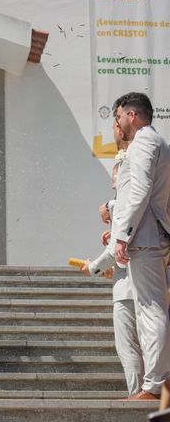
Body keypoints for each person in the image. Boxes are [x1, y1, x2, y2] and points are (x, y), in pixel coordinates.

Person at [111, 92, 170, 400]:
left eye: (118, 116)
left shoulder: (144, 142)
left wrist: (122, 234)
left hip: (145, 238)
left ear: (132, 116)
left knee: (151, 312)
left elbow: (141, 190)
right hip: (152, 237)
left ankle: (154, 384)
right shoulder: (158, 142)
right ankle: (158, 381)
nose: (117, 123)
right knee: (152, 311)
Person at [81, 119, 143, 396]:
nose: (112, 181)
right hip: (147, 284)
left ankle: (140, 396)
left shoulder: (125, 197)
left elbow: (115, 251)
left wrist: (92, 268)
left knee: (128, 346)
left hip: (129, 287)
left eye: (114, 177)